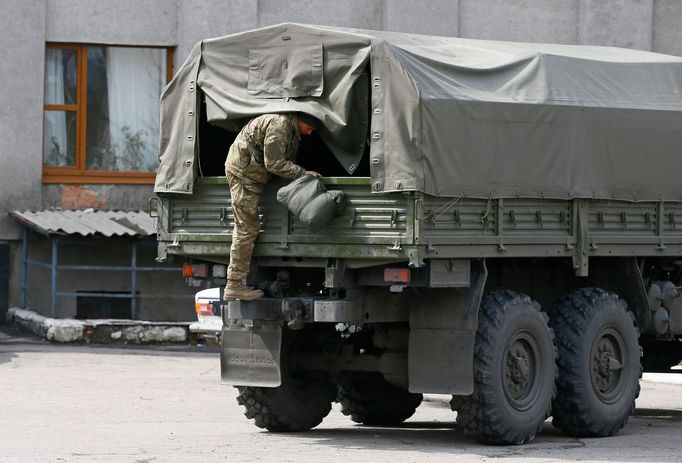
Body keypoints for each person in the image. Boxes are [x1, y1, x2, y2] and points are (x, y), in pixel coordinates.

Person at [224, 113, 320, 300]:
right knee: (246, 228)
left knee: (248, 227)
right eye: (311, 128)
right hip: (243, 175)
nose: (310, 133)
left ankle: (235, 283)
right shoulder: (280, 124)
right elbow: (274, 163)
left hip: (251, 173)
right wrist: (303, 173)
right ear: (303, 121)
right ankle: (234, 285)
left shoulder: (287, 127)